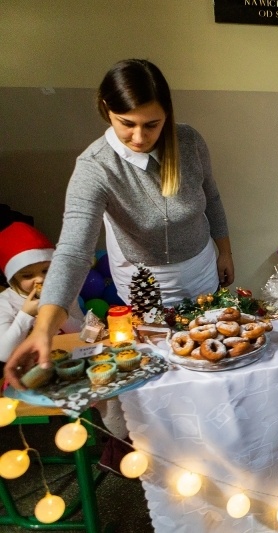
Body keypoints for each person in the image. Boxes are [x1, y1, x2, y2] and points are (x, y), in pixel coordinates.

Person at [4, 59, 234, 390]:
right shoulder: (95, 167)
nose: (139, 137)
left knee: (208, 353)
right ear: (105, 109)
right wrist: (42, 328)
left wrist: (224, 251)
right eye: (126, 123)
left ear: (167, 114)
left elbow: (211, 197)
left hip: (201, 264)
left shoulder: (189, 142)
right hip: (144, 280)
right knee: (162, 368)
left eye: (152, 124)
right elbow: (73, 252)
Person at [0, 222, 83, 363]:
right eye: (27, 275)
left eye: (46, 270)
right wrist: (26, 314)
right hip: (30, 368)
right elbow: (4, 354)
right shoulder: (5, 302)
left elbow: (81, 333)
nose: (40, 279)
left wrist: (56, 309)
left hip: (69, 361)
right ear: (13, 278)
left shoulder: (64, 291)